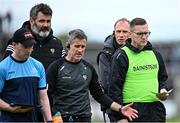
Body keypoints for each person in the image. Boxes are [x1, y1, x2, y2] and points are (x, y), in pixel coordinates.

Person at [46, 29, 138, 122]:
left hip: (84, 117)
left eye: (83, 46)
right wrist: (52, 116)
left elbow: (99, 95)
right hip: (62, 118)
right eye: (77, 46)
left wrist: (120, 108)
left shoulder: (88, 68)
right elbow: (47, 95)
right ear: (68, 45)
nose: (80, 50)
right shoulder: (56, 67)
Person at [109, 17, 170, 122]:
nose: (144, 37)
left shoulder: (155, 54)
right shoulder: (121, 56)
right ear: (131, 34)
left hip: (155, 111)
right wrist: (120, 117)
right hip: (132, 111)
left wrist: (163, 89)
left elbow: (162, 79)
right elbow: (114, 89)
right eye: (140, 34)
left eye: (147, 33)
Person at [0, 28, 52, 122]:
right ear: (14, 45)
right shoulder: (2, 67)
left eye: (31, 46)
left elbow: (43, 97)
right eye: (26, 46)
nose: (29, 49)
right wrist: (9, 108)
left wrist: (49, 120)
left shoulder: (38, 66)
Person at [4, 3, 63, 70]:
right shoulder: (18, 42)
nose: (46, 25)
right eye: (42, 21)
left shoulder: (58, 44)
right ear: (31, 21)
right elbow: (5, 69)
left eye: (48, 21)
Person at [97, 18, 130, 122]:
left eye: (124, 32)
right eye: (118, 31)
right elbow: (107, 84)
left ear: (130, 34)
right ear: (113, 32)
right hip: (112, 107)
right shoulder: (105, 55)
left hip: (132, 104)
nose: (121, 35)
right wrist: (119, 108)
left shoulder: (136, 53)